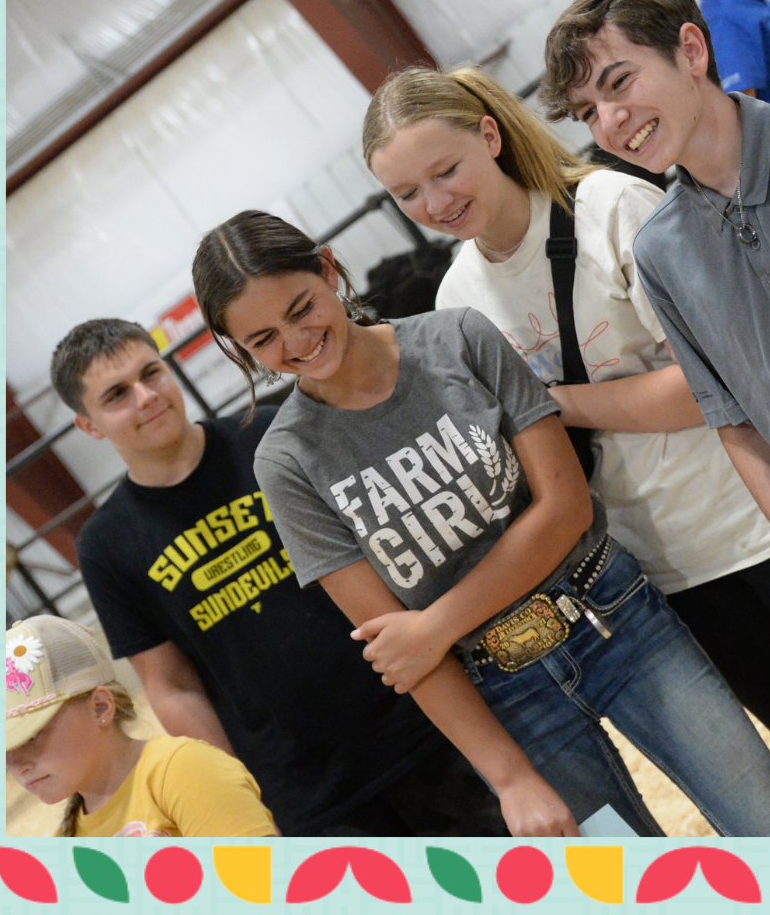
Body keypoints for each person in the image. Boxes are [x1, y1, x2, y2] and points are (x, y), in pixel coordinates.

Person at [362, 64, 770, 833]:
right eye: (407, 194)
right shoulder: (456, 301)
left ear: (489, 136)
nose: (435, 202)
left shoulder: (615, 209)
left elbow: (706, 389)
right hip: (676, 578)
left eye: (445, 171)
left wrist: (548, 405)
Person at [191, 210, 770, 838]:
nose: (295, 343)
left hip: (618, 622)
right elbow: (400, 651)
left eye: (301, 308)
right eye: (263, 340)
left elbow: (565, 508)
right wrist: (508, 779)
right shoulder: (283, 462)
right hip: (504, 695)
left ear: (328, 270)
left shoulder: (458, 339)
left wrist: (435, 624)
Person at [540, 0, 770, 732]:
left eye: (619, 82)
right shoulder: (663, 252)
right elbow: (733, 422)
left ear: (693, 50)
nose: (611, 121)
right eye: (587, 113)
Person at [54, 319, 509, 837]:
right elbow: (172, 686)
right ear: (88, 425)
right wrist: (231, 792)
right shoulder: (105, 544)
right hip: (303, 791)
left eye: (151, 373)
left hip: (418, 723)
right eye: (117, 394)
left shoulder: (269, 435)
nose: (146, 397)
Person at [5, 615, 278, 837]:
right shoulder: (67, 839)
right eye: (5, 749)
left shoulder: (184, 770)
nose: (18, 765)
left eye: (32, 736)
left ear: (101, 706)